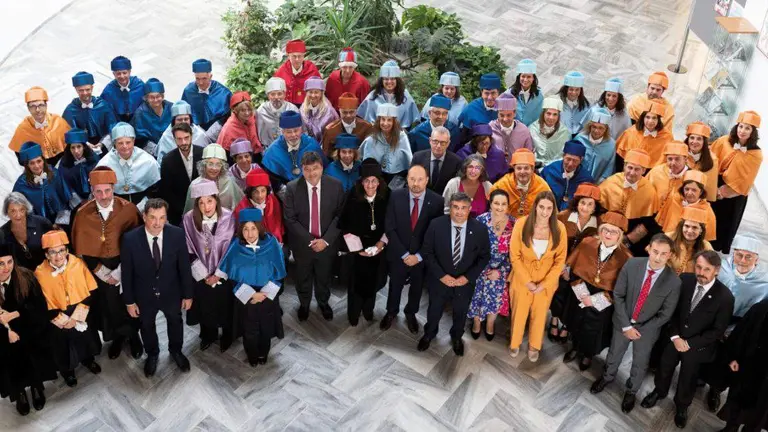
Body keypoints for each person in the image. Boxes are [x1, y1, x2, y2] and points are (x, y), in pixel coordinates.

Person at [589, 233, 681, 414]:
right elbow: (618, 295)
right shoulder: (632, 264)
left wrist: (638, 330)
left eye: (663, 254)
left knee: (640, 363)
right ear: (649, 248)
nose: (658, 258)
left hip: (647, 331)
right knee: (614, 353)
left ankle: (631, 391)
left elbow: (665, 314)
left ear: (670, 255)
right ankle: (607, 377)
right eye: (655, 251)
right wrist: (626, 326)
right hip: (622, 322)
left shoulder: (674, 282)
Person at [641, 250, 733, 427]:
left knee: (688, 377)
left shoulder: (725, 297)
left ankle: (682, 406)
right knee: (664, 367)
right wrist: (675, 337)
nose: (701, 273)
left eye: (707, 269)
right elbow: (672, 310)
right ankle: (659, 392)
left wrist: (689, 343)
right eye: (698, 267)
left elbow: (717, 331)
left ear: (717, 270)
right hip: (674, 338)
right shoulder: (685, 280)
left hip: (697, 346)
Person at [71, 166, 143, 359]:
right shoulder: (82, 214)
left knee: (130, 302)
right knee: (109, 307)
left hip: (126, 265)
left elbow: (138, 243)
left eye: (107, 191)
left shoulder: (128, 210)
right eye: (98, 192)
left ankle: (134, 336)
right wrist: (102, 272)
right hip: (99, 268)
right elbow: (83, 249)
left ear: (113, 188)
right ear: (92, 191)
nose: (103, 196)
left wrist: (121, 271)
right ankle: (118, 337)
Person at [121, 199, 194, 377]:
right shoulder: (130, 239)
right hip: (144, 295)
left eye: (162, 218)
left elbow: (184, 267)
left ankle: (176, 351)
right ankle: (152, 354)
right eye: (153, 217)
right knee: (146, 325)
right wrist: (129, 302)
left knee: (175, 322)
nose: (157, 223)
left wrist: (188, 295)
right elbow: (126, 273)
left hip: (171, 292)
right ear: (144, 216)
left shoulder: (177, 234)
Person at [417, 192, 491, 355]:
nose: (459, 212)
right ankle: (429, 334)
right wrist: (442, 276)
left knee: (460, 312)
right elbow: (427, 252)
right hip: (439, 281)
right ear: (450, 208)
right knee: (434, 310)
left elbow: (485, 256)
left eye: (463, 208)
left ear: (469, 209)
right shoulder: (436, 225)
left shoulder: (479, 229)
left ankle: (457, 337)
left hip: (464, 283)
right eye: (456, 207)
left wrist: (467, 277)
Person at [559, 212, 632, 371]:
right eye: (605, 230)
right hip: (581, 291)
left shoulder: (626, 258)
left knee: (594, 330)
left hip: (604, 299)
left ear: (620, 235)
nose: (608, 234)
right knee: (577, 322)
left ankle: (588, 355)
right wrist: (583, 295)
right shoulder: (587, 243)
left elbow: (622, 290)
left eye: (613, 232)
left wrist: (594, 300)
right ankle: (575, 348)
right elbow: (573, 271)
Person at [218, 208, 286, 366]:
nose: (250, 234)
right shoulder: (235, 248)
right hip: (246, 299)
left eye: (253, 228)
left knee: (266, 328)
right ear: (241, 230)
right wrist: (251, 295)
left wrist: (263, 294)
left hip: (267, 297)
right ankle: (252, 354)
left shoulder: (272, 244)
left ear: (259, 228)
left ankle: (263, 352)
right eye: (245, 229)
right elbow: (232, 277)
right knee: (249, 330)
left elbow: (279, 273)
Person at [382, 164, 444, 333]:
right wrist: (403, 254)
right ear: (407, 179)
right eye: (412, 179)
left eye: (420, 179)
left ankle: (411, 313)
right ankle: (391, 312)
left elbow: (435, 234)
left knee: (417, 288)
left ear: (427, 180)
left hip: (421, 257)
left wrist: (419, 256)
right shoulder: (395, 196)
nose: (416, 183)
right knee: (395, 285)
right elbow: (390, 227)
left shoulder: (437, 201)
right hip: (398, 253)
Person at [35, 231, 101, 387]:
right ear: (46, 255)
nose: (58, 256)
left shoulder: (78, 264)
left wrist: (76, 317)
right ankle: (68, 372)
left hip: (80, 310)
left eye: (61, 250)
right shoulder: (39, 273)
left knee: (86, 339)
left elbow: (92, 289)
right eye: (52, 252)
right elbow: (41, 303)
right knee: (63, 347)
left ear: (67, 250)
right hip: (57, 317)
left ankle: (88, 360)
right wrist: (64, 320)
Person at [283, 152, 345, 321]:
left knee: (324, 276)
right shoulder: (292, 188)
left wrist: (325, 241)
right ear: (302, 170)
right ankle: (304, 304)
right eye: (307, 169)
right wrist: (311, 241)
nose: (311, 173)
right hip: (303, 245)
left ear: (322, 168)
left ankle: (323, 302)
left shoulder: (336, 186)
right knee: (302, 277)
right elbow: (290, 219)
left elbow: (340, 216)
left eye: (315, 168)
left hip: (327, 244)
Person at [508, 191, 567, 361]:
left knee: (540, 314)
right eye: (541, 207)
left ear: (553, 209)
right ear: (535, 206)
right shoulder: (521, 223)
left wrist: (545, 284)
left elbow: (560, 261)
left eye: (549, 208)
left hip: (546, 279)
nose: (545, 212)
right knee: (519, 312)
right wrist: (527, 281)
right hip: (522, 276)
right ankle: (515, 342)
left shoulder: (559, 228)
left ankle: (534, 345)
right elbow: (515, 256)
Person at [0, 244, 57, 416]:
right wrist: (6, 332)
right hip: (5, 336)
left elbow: (39, 306)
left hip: (29, 328)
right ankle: (19, 393)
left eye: (9, 262)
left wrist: (15, 314)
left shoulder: (26, 276)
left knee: (33, 360)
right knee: (12, 364)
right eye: (1, 263)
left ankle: (36, 387)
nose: (6, 268)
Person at [182, 181, 236, 352]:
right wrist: (204, 274)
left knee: (225, 305)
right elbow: (187, 248)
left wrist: (219, 274)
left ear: (216, 200)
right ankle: (208, 335)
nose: (206, 207)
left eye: (210, 201)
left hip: (224, 273)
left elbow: (234, 248)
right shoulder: (189, 219)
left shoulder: (229, 217)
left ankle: (227, 335)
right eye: (201, 202)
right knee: (205, 305)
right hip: (201, 275)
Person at [338, 159, 390, 325]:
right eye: (366, 181)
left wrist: (379, 245)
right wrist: (359, 250)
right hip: (357, 251)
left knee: (373, 283)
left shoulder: (387, 195)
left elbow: (392, 224)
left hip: (378, 249)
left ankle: (368, 311)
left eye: (374, 181)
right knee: (356, 285)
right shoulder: (352, 196)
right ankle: (353, 314)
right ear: (361, 182)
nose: (370, 185)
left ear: (379, 182)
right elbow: (345, 225)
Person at [709, 111, 763, 253]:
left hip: (734, 194)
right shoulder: (724, 141)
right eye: (741, 126)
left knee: (723, 224)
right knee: (709, 218)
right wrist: (711, 185)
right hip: (715, 184)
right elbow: (711, 160)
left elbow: (747, 179)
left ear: (753, 132)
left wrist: (725, 192)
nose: (742, 131)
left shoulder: (756, 155)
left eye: (747, 128)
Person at [467, 189, 514, 340]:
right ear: (490, 204)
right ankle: (476, 322)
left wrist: (500, 271)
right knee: (476, 296)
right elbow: (471, 248)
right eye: (496, 203)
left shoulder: (514, 225)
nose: (500, 207)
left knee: (495, 297)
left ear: (508, 205)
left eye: (503, 204)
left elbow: (515, 255)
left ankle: (490, 324)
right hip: (479, 267)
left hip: (501, 269)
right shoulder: (480, 221)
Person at [716, 297, 768, 432]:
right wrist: (733, 357)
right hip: (747, 366)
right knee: (736, 402)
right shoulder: (761, 308)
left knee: (758, 412)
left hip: (765, 380)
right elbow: (741, 333)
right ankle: (730, 429)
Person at [599, 149, 660, 256]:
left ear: (644, 171)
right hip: (606, 229)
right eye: (630, 167)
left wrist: (628, 239)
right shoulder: (610, 182)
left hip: (631, 237)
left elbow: (648, 221)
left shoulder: (650, 191)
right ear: (624, 166)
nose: (632, 173)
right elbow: (599, 210)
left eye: (637, 169)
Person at [95, 122, 160, 208]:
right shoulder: (104, 164)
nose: (125, 146)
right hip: (115, 207)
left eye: (128, 142)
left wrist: (145, 203)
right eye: (120, 143)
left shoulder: (148, 161)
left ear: (133, 141)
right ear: (114, 143)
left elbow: (155, 189)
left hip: (144, 206)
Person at [12, 142, 74, 225]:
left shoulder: (55, 174)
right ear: (27, 165)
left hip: (62, 221)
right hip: (38, 226)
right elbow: (17, 210)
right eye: (32, 163)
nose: (37, 166)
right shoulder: (21, 184)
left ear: (43, 161)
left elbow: (66, 199)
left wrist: (60, 223)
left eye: (39, 161)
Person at [261, 111, 325, 187]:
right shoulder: (273, 150)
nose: (293, 135)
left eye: (296, 130)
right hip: (286, 188)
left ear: (301, 130)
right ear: (282, 132)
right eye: (289, 132)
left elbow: (322, 169)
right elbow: (273, 180)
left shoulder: (311, 144)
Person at [9, 86, 70, 165]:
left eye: (41, 105)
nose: (37, 110)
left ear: (46, 105)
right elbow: (21, 159)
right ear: (28, 108)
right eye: (33, 106)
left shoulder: (58, 121)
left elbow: (71, 145)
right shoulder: (22, 129)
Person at [159, 123, 204, 225]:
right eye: (179, 139)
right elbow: (166, 191)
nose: (183, 142)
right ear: (174, 140)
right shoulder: (167, 160)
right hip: (178, 214)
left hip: (203, 208)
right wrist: (184, 211)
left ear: (191, 136)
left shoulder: (203, 154)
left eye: (186, 138)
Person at [62, 71, 118, 152]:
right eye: (81, 90)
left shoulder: (103, 105)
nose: (85, 93)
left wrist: (102, 143)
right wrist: (86, 144)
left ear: (92, 88)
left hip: (104, 145)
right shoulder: (70, 110)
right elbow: (69, 132)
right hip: (82, 147)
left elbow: (112, 127)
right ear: (76, 90)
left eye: (87, 89)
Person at [654, 170, 717, 242]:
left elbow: (705, 238)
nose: (689, 193)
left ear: (701, 192)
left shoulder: (706, 210)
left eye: (694, 190)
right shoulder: (674, 201)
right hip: (669, 240)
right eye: (686, 189)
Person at [359, 103, 412, 186]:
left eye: (389, 120)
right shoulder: (371, 139)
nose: (385, 123)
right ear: (379, 121)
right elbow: (362, 158)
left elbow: (408, 160)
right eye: (383, 119)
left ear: (394, 122)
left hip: (397, 178)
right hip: (377, 180)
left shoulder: (402, 137)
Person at [358, 61, 420, 129]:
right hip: (376, 132)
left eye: (392, 78)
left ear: (397, 80)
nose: (389, 82)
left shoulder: (405, 95)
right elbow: (363, 119)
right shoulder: (373, 95)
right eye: (386, 79)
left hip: (400, 133)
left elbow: (412, 122)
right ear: (382, 80)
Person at [183, 144, 244, 212]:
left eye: (218, 164)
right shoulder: (195, 185)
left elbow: (240, 207)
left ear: (222, 167)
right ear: (204, 165)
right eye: (210, 164)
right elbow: (190, 214)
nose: (214, 168)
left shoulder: (228, 182)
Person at [490, 148, 551, 217]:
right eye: (519, 168)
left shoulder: (542, 186)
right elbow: (492, 205)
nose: (522, 172)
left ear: (532, 169)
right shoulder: (503, 184)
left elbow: (550, 209)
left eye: (526, 168)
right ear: (514, 169)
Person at [1, 193, 53, 270]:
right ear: (7, 212)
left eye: (21, 210)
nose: (18, 215)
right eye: (13, 211)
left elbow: (57, 248)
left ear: (26, 209)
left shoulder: (42, 223)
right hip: (22, 276)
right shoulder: (2, 234)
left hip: (49, 271)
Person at [646, 141, 693, 227]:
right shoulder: (656, 172)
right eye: (670, 159)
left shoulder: (693, 177)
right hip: (652, 219)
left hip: (679, 223)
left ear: (685, 159)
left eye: (677, 159)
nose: (673, 163)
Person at [615, 101, 672, 170]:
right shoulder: (631, 132)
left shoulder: (667, 136)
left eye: (654, 118)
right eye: (647, 117)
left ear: (658, 120)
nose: (650, 121)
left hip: (653, 171)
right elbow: (620, 156)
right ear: (643, 118)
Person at [181, 59, 232, 135]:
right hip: (195, 132)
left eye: (204, 78)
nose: (201, 83)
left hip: (218, 132)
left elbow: (228, 117)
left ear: (210, 76)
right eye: (197, 79)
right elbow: (184, 114)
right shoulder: (188, 91)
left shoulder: (223, 92)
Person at [540, 140, 594, 210]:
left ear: (581, 160)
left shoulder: (586, 179)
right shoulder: (549, 171)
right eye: (568, 159)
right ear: (563, 156)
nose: (570, 164)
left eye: (575, 161)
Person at [233, 169, 284, 243]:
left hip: (274, 241)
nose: (260, 195)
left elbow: (278, 223)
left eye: (263, 191)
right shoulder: (241, 208)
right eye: (256, 191)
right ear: (250, 192)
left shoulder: (272, 200)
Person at [412, 127, 462, 195]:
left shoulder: (456, 162)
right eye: (435, 141)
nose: (438, 146)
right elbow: (411, 180)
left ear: (448, 143)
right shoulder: (418, 157)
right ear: (430, 141)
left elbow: (456, 187)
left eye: (443, 142)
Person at [320, 92, 373, 156]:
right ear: (339, 111)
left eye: (351, 112)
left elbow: (370, 151)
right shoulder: (330, 130)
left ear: (356, 110)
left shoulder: (367, 127)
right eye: (344, 112)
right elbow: (326, 154)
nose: (348, 115)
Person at [666, 207, 714, 276]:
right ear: (682, 226)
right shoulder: (669, 238)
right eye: (687, 226)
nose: (689, 231)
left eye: (695, 227)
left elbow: (712, 268)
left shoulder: (705, 246)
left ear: (701, 230)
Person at [273, 39, 321, 106]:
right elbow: (275, 91)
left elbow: (319, 90)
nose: (297, 59)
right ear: (288, 56)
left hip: (308, 106)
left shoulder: (312, 69)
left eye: (300, 56)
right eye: (294, 56)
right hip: (287, 107)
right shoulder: (282, 71)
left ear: (304, 55)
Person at [131, 78, 172, 154]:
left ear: (162, 96)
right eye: (152, 97)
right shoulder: (140, 113)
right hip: (151, 151)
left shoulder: (171, 107)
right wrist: (157, 151)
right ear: (146, 98)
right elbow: (139, 139)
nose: (155, 100)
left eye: (158, 96)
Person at [489, 94, 534, 164]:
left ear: (515, 113)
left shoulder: (524, 131)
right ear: (497, 113)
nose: (505, 119)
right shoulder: (490, 128)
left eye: (509, 115)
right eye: (501, 115)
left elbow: (529, 155)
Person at [574, 107, 615, 183]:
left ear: (606, 129)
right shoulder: (579, 139)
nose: (596, 131)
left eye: (601, 128)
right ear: (590, 126)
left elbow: (609, 169)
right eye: (594, 127)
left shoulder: (611, 145)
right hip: (576, 180)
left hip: (597, 184)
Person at [256, 77, 300, 147]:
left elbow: (300, 130)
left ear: (284, 94)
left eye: (279, 94)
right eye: (272, 94)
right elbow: (259, 133)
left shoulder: (292, 109)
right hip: (269, 147)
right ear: (268, 96)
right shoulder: (261, 111)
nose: (276, 97)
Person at [58, 129, 99, 203]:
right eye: (73, 147)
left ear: (84, 147)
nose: (76, 151)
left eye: (79, 146)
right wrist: (79, 202)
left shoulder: (94, 158)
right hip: (76, 201)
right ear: (69, 149)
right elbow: (66, 186)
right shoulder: (64, 164)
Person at [100, 56, 145, 122]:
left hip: (139, 121)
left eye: (124, 73)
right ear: (114, 74)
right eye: (118, 73)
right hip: (118, 123)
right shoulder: (108, 91)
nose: (122, 76)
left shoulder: (139, 85)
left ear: (129, 72)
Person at [530, 97, 570, 168]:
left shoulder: (564, 132)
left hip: (555, 168)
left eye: (555, 114)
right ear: (543, 113)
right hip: (535, 167)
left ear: (559, 116)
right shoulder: (532, 129)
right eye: (548, 113)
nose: (551, 117)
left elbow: (564, 155)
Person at [684, 121, 718, 202]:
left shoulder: (712, 160)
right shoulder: (681, 154)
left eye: (699, 139)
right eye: (692, 138)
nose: (694, 141)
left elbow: (709, 188)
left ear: (704, 142)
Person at [299, 77, 340, 144]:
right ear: (306, 93)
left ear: (321, 93)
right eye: (310, 92)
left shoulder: (329, 111)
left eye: (316, 92)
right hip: (306, 144)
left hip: (324, 145)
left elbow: (332, 133)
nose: (313, 95)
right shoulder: (302, 108)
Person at [504, 59, 543, 126]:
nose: (525, 79)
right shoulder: (509, 94)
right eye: (523, 76)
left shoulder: (539, 95)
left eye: (529, 77)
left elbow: (538, 117)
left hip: (531, 130)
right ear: (519, 77)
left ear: (533, 78)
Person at [558, 71, 590, 137]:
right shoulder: (557, 102)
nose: (574, 93)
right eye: (571, 89)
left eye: (577, 90)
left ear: (580, 90)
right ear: (566, 89)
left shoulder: (586, 106)